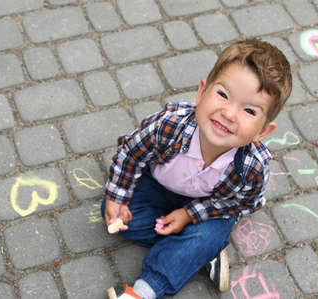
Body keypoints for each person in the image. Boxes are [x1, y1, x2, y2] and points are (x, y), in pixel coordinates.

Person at [102, 38, 292, 299]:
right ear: (202, 92)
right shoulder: (170, 125)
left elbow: (242, 203)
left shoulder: (252, 167)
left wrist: (190, 214)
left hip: (208, 205)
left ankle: (145, 291)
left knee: (207, 236)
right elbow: (131, 153)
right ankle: (197, 256)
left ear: (263, 131)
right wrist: (117, 196)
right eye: (223, 95)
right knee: (118, 217)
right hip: (158, 187)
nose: (228, 113)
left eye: (249, 110)